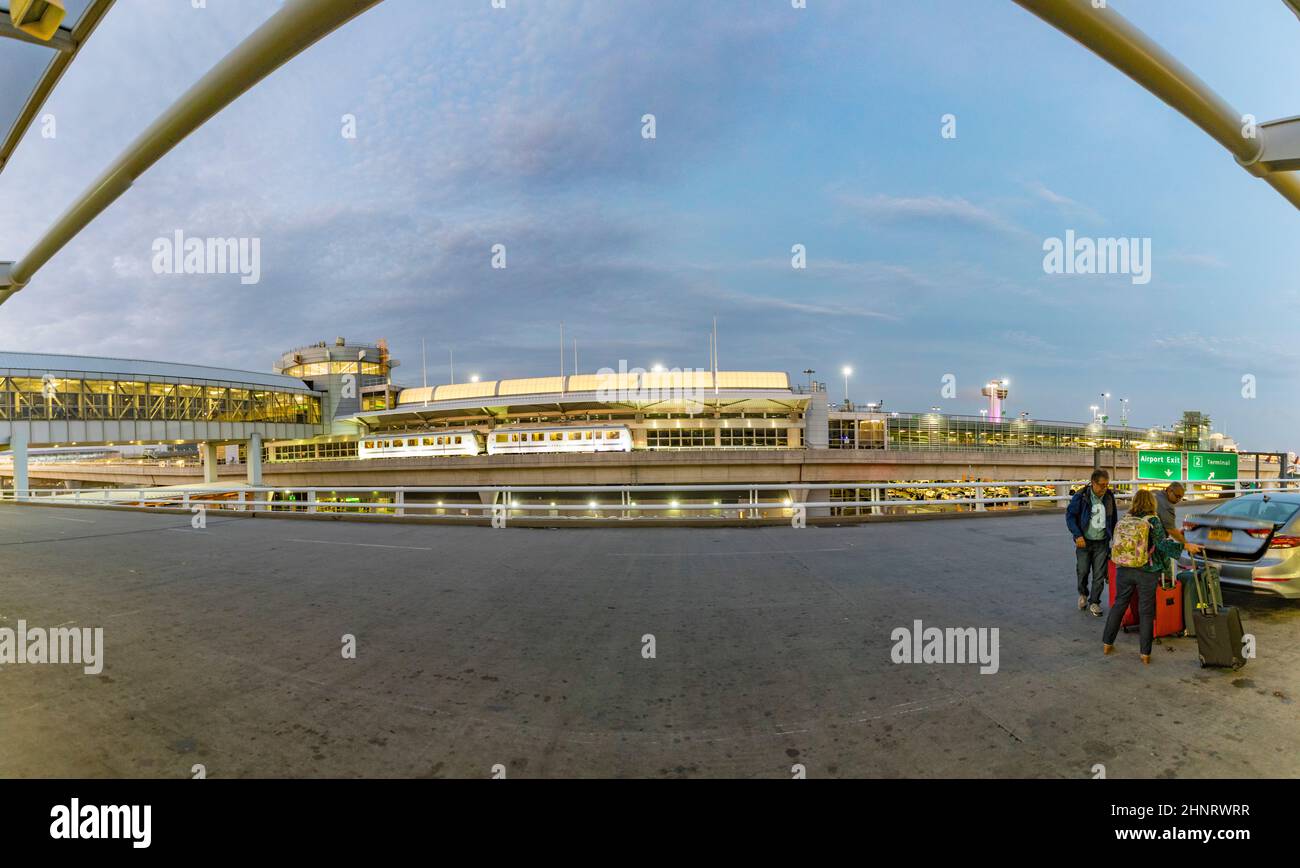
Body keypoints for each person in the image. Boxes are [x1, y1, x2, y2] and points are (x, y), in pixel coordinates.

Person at [1102, 489, 1203, 664]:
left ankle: (1107, 643)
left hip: (1124, 568)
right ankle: (1145, 654)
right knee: (1146, 611)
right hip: (1146, 571)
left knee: (1119, 605)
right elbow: (1162, 544)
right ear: (1152, 503)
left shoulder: (1125, 519)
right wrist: (1186, 546)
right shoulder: (1153, 521)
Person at [1066, 469, 1117, 617]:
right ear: (1093, 483)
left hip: (1102, 542)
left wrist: (1114, 538)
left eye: (1107, 485)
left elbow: (1112, 517)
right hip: (1084, 542)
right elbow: (1070, 516)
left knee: (1099, 574)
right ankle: (1083, 594)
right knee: (1082, 571)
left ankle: (1095, 602)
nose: (1104, 488)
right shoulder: (1081, 496)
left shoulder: (1109, 496)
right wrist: (1077, 535)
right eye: (1102, 485)